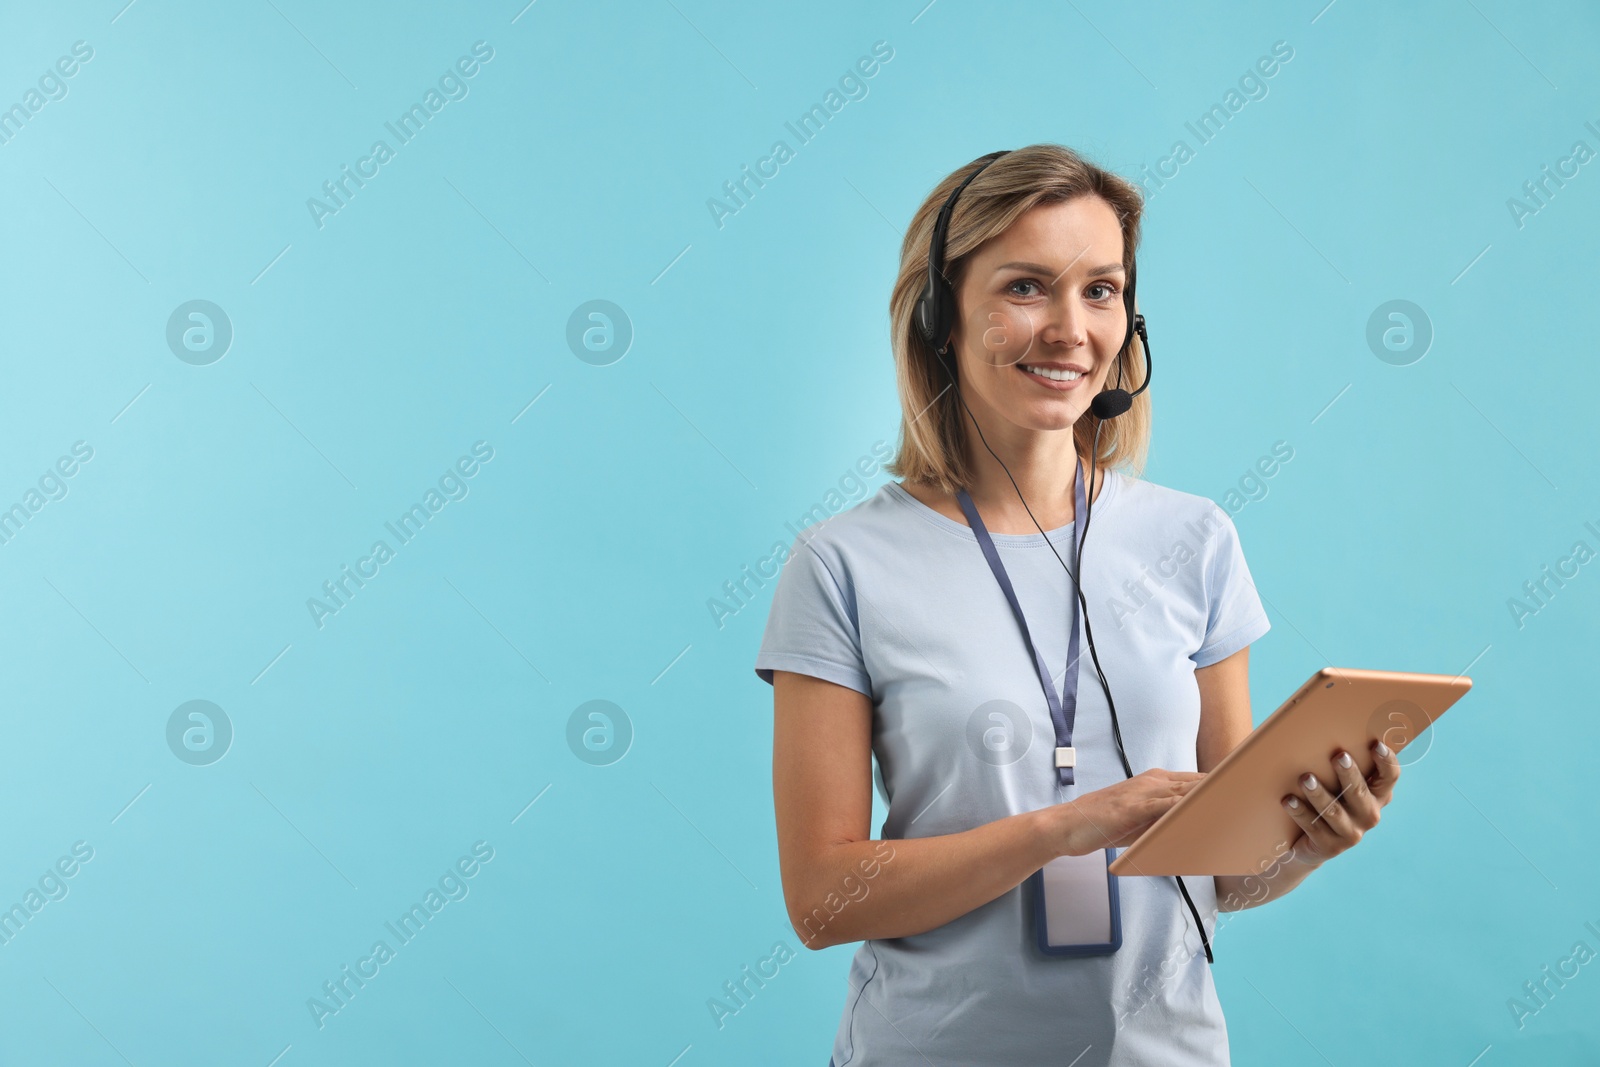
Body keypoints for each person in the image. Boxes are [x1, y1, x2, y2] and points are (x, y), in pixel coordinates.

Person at [754, 144, 1402, 1065]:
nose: (1070, 329)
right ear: (943, 315)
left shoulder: (1197, 539)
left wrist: (1305, 845)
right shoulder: (842, 566)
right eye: (1026, 287)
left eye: (1101, 290)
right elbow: (823, 899)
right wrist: (1068, 825)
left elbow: (1223, 872)